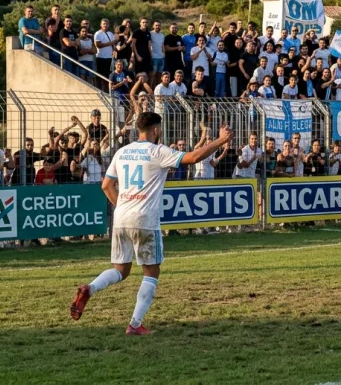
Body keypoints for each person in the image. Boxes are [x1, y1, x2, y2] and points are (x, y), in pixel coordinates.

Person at [69, 113, 232, 335]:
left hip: (121, 217)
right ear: (155, 130)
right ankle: (135, 324)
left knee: (121, 270)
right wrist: (221, 141)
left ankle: (91, 287)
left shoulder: (122, 152)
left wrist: (122, 207)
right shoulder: (158, 151)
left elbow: (106, 186)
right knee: (151, 272)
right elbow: (193, 158)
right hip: (144, 218)